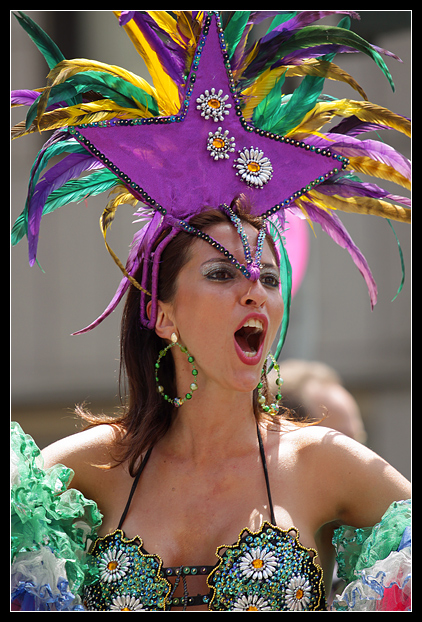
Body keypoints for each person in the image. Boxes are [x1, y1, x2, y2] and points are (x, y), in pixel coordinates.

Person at [11, 11, 411, 611]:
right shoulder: (84, 473)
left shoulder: (324, 465)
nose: (255, 293)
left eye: (269, 278)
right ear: (161, 313)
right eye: (222, 274)